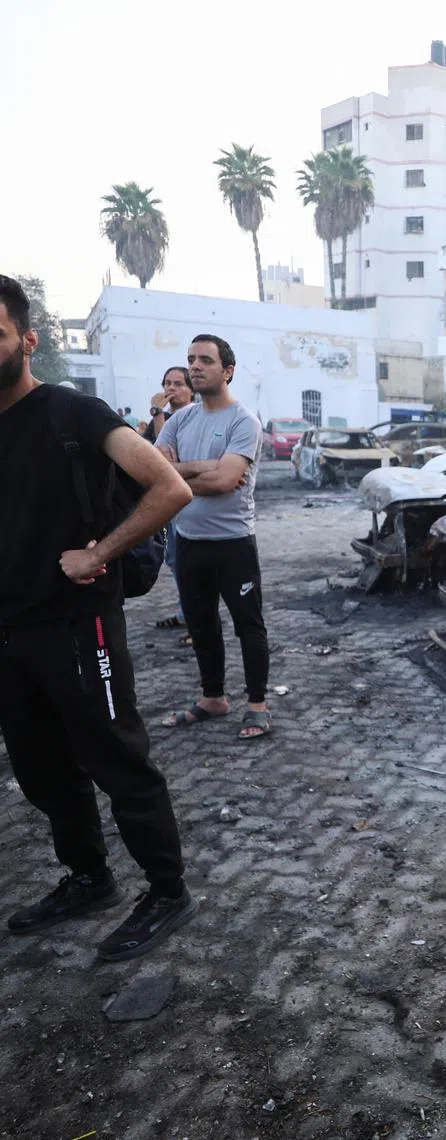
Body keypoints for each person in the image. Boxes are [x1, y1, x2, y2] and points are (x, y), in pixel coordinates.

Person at [0, 274, 198, 961]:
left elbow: (169, 487)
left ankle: (168, 891)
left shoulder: (70, 411)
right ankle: (89, 877)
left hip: (79, 623)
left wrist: (99, 553)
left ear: (27, 340)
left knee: (117, 759)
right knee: (41, 769)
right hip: (12, 630)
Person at [157, 334, 270, 740]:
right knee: (201, 624)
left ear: (228, 370)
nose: (195, 366)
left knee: (248, 625)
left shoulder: (243, 421)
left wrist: (178, 475)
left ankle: (257, 705)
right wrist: (204, 468)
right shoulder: (180, 420)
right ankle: (213, 698)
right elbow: (156, 471)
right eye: (191, 359)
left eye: (206, 360)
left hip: (233, 543)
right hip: (189, 541)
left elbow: (226, 482)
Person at [145, 368, 195, 633]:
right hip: (168, 504)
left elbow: (166, 456)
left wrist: (157, 414)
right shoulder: (164, 418)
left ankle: (195, 621)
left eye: (178, 383)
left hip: (190, 502)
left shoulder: (194, 417)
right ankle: (186, 613)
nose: (171, 388)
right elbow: (152, 455)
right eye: (167, 383)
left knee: (189, 563)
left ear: (191, 390)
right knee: (174, 559)